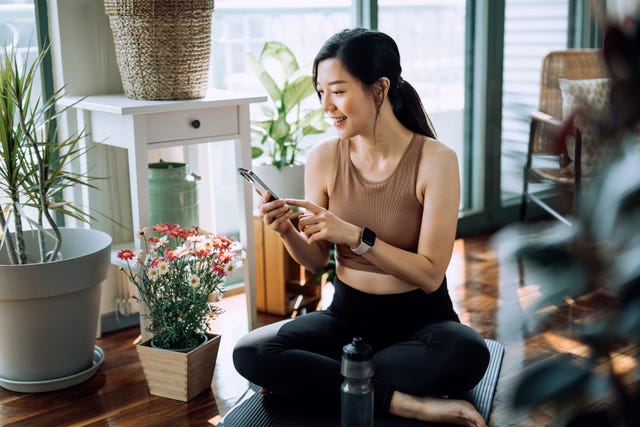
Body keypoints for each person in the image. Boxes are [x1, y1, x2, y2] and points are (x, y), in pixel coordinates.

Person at [233, 28, 490, 427]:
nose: (326, 106)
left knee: (468, 352)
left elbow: (429, 273)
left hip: (421, 323)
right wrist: (286, 231)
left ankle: (334, 378)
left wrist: (356, 237)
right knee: (250, 352)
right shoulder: (323, 158)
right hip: (346, 318)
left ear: (380, 89)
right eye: (321, 93)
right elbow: (316, 260)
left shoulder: (436, 160)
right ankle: (407, 403)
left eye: (337, 91)